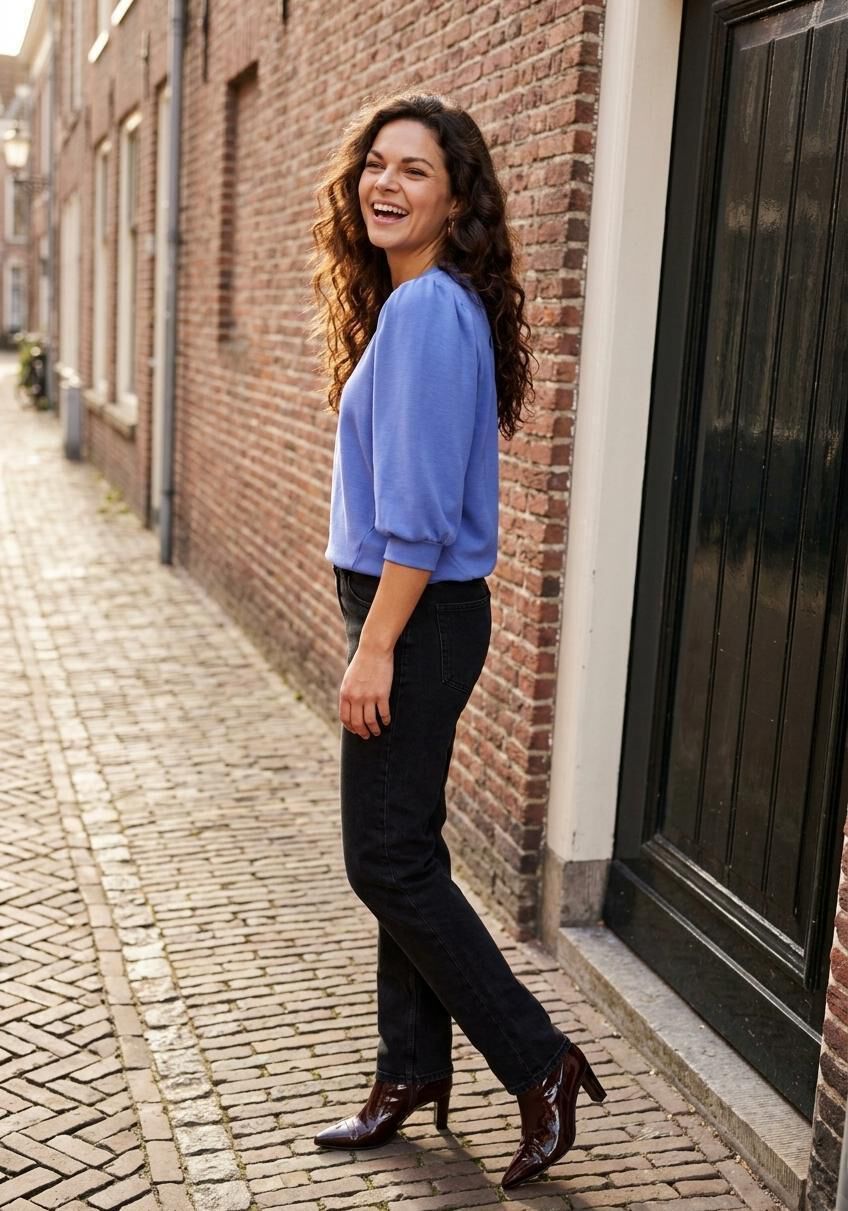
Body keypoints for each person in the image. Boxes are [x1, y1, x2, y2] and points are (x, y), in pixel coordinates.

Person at [309, 91, 607, 1190]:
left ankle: (537, 1061)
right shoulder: (416, 303)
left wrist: (374, 646)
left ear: (455, 198)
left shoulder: (429, 312)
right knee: (407, 852)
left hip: (415, 614)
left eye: (415, 171)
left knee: (384, 858)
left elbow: (423, 519)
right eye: (375, 165)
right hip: (408, 611)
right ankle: (409, 1070)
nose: (384, 185)